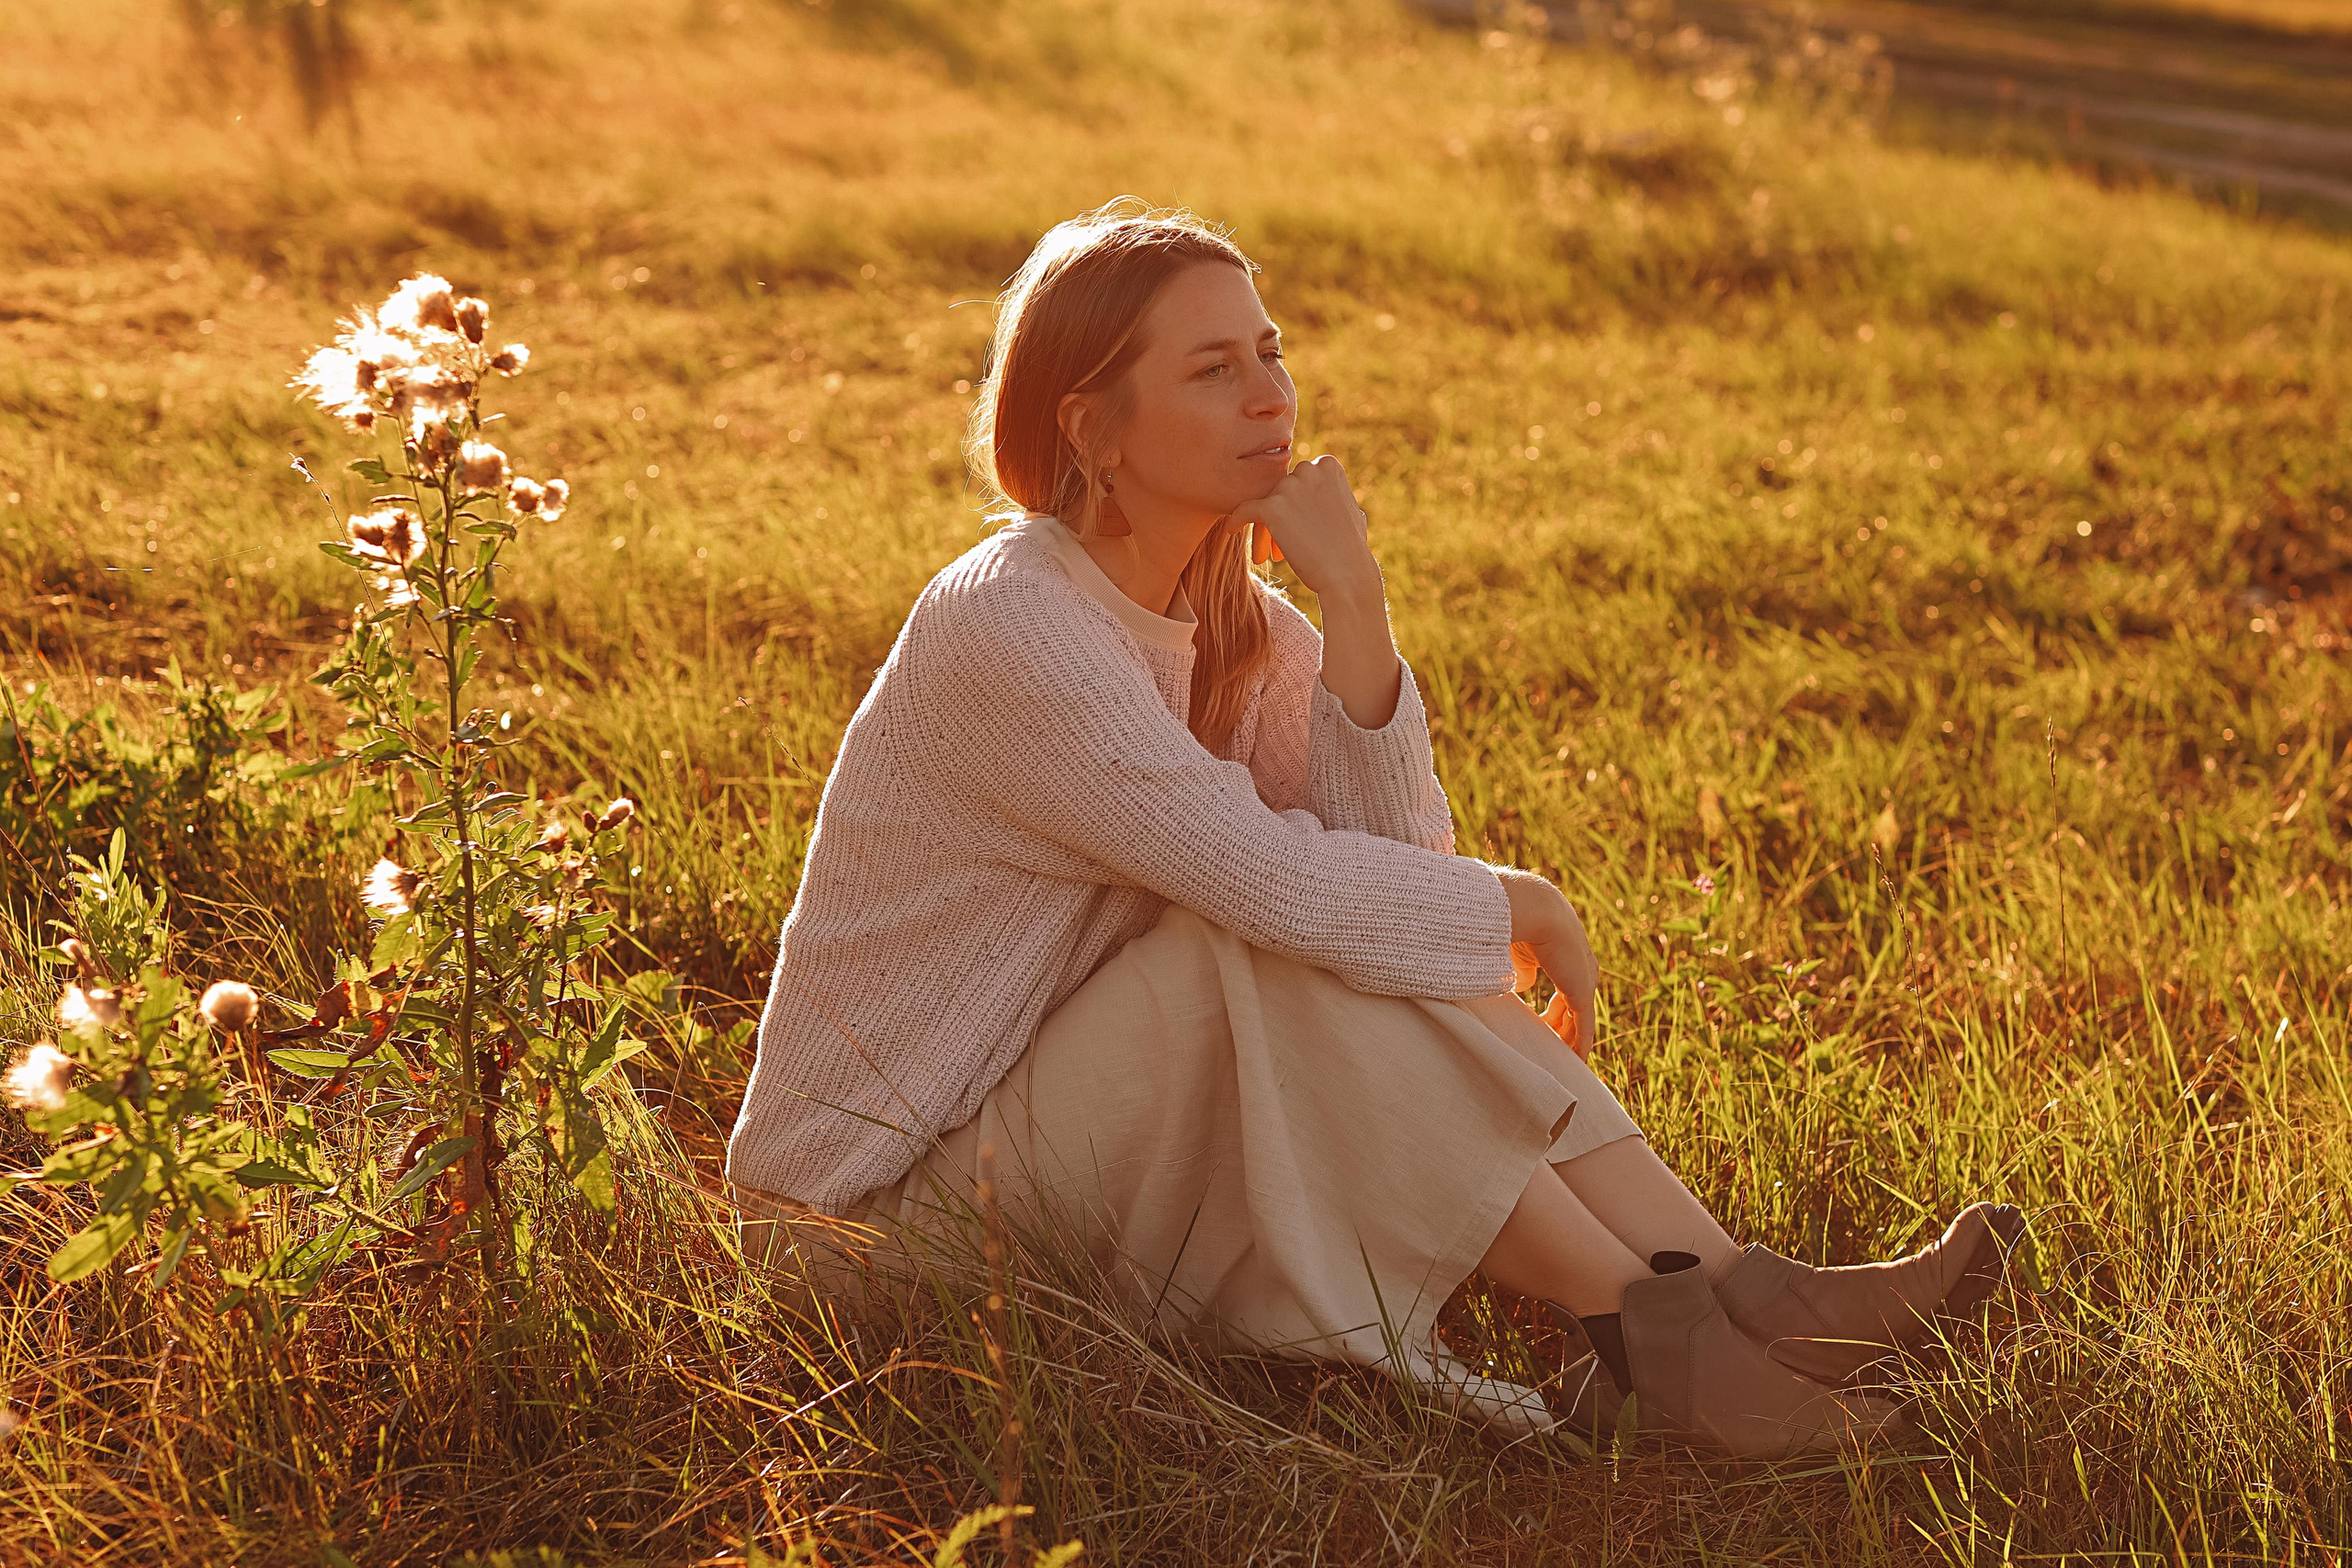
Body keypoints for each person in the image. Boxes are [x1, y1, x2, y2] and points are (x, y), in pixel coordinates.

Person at [724, 198, 2025, 1458]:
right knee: (1246, 939)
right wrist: (1518, 902)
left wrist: (1353, 600)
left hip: (1064, 1142)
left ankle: (1736, 1298)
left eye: (1272, 352)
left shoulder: (1244, 631)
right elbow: (1284, 896)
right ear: (1095, 429)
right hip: (867, 1244)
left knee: (1337, 928)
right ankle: (1654, 1340)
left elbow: (1390, 892)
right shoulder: (1008, 623)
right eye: (1213, 368)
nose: (1270, 395)